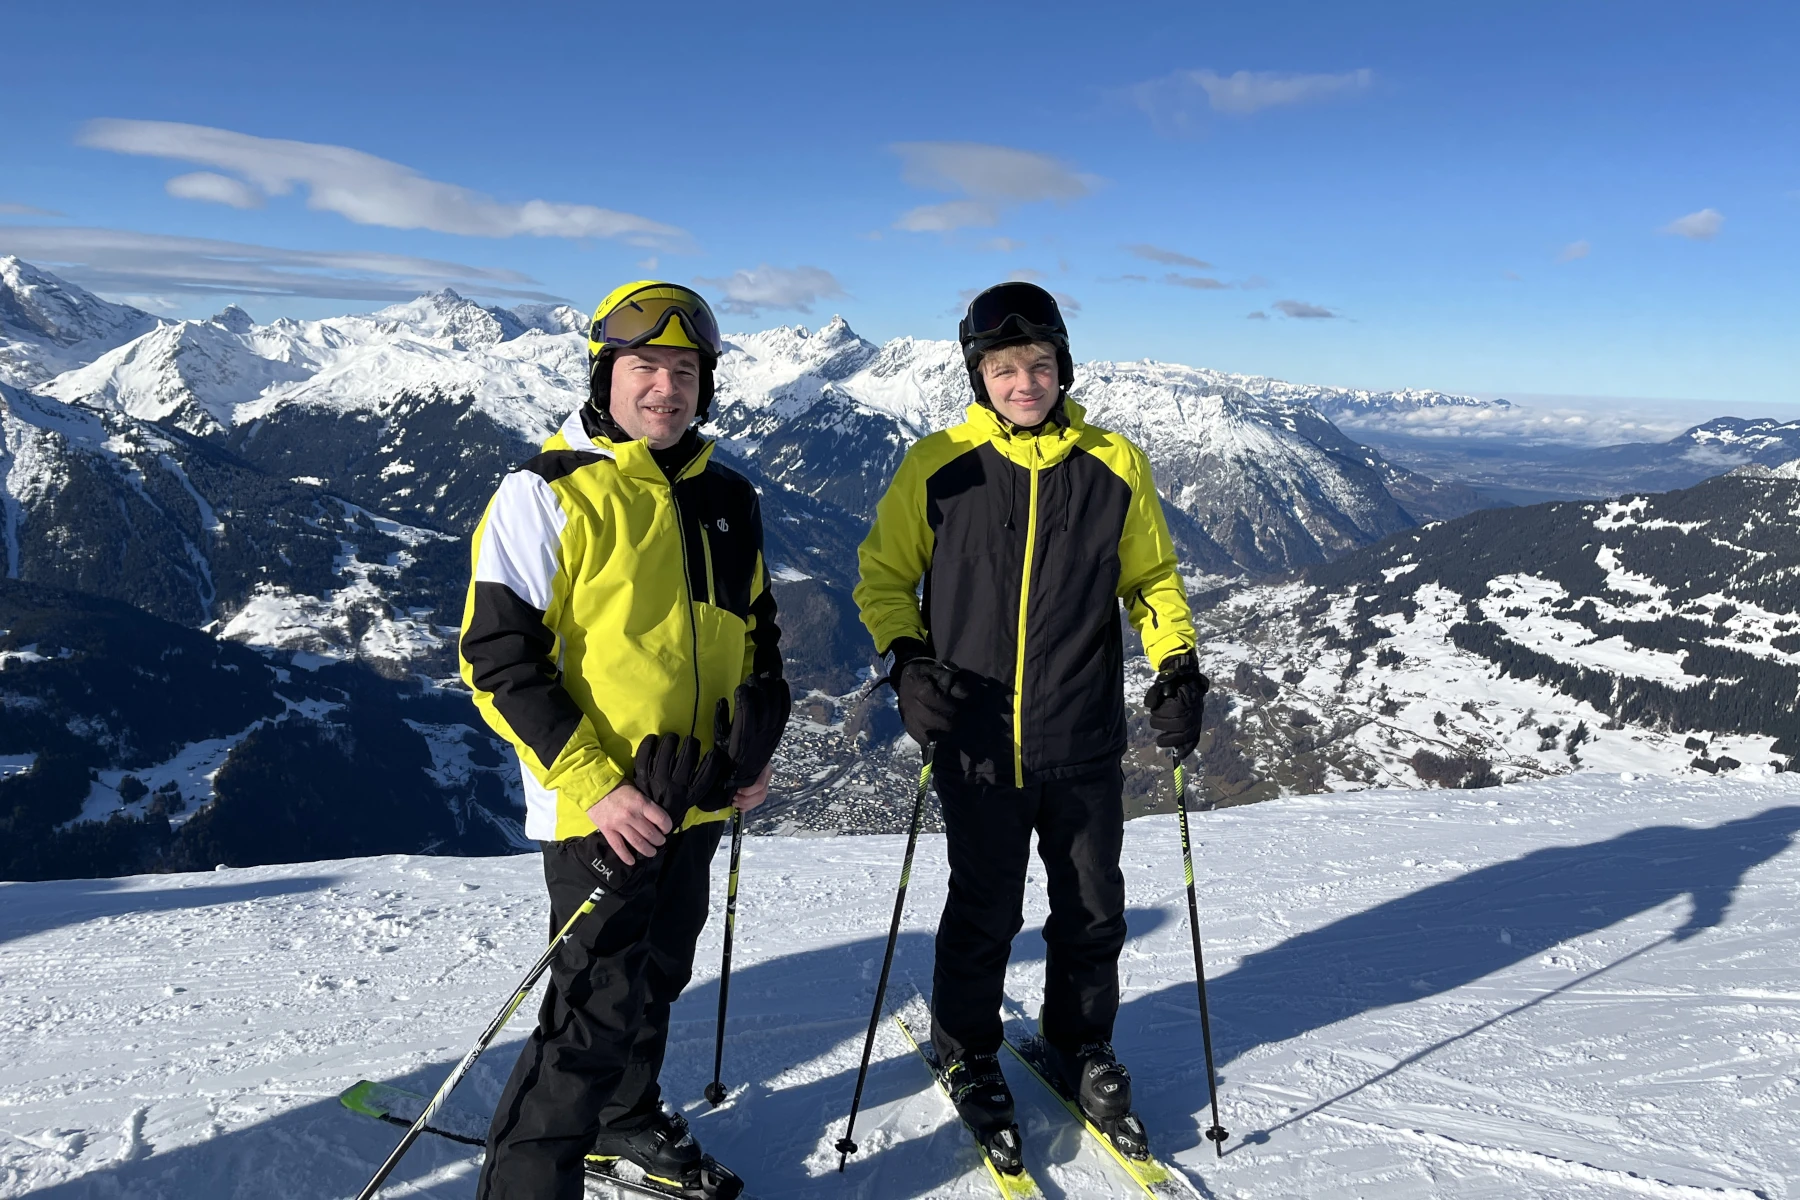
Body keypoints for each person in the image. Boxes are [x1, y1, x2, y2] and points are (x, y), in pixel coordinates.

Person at [853, 281, 1206, 1169]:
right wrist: (907, 660)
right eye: (1004, 368)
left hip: (1082, 735)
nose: (1024, 382)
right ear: (979, 375)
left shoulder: (1115, 463)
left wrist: (1176, 662)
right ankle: (968, 1048)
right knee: (986, 909)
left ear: (1062, 368)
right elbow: (883, 577)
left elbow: (1151, 581)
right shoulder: (938, 463)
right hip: (977, 741)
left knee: (1092, 907)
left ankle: (1080, 1042)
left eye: (1039, 365)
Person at [460, 281, 788, 1200]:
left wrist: (755, 737)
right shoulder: (546, 491)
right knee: (590, 1015)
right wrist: (600, 786)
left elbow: (756, 628)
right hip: (600, 806)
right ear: (605, 374)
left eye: (684, 371)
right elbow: (498, 657)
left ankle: (623, 1120)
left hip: (696, 791)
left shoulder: (727, 495)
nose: (665, 388)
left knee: (659, 977)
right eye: (645, 366)